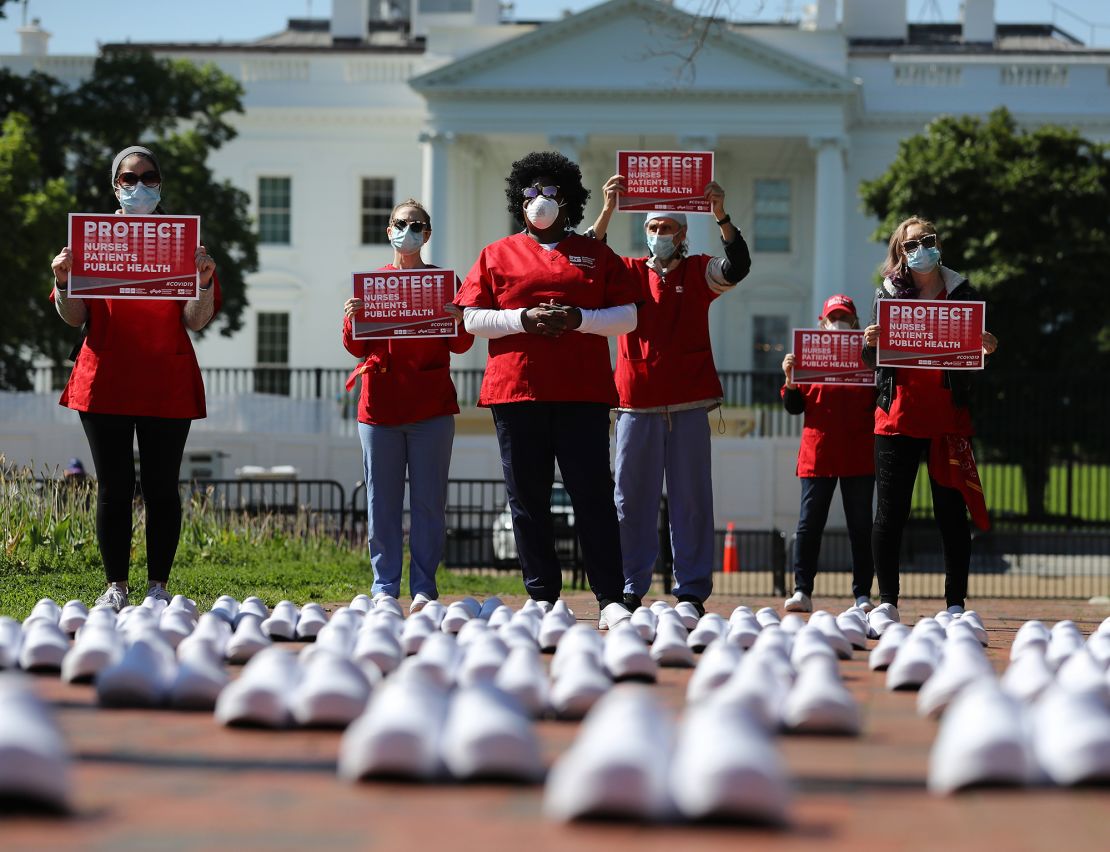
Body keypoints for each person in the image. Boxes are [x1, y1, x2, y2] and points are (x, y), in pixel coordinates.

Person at [456, 151, 641, 630]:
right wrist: (524, 319)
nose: (540, 199)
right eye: (531, 192)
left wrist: (581, 320)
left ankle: (610, 597)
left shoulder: (596, 255)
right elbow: (472, 317)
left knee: (593, 495)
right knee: (528, 497)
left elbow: (628, 315)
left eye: (551, 191)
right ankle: (542, 597)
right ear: (519, 201)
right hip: (516, 390)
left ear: (570, 200)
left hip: (581, 393)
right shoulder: (496, 254)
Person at [50, 145, 220, 612]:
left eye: (148, 176)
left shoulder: (185, 244)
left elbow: (197, 319)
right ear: (115, 185)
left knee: (162, 487)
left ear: (161, 184)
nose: (139, 185)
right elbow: (72, 315)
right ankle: (115, 587)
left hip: (166, 379)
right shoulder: (91, 241)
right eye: (128, 178)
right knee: (113, 486)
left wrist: (203, 281)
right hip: (104, 378)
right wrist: (64, 280)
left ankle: (158, 587)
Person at [588, 174, 751, 621]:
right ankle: (628, 587)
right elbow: (584, 261)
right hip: (634, 403)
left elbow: (737, 266)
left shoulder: (700, 269)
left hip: (688, 404)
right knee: (629, 499)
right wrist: (606, 209)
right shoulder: (627, 272)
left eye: (668, 228)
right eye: (653, 228)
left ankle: (691, 592)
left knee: (692, 499)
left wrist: (721, 215)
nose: (659, 235)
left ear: (683, 234)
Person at [862, 217, 998, 625]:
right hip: (897, 416)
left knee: (951, 515)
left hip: (947, 419)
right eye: (911, 244)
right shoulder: (886, 294)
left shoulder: (962, 292)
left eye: (927, 240)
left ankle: (955, 603)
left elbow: (970, 361)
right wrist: (870, 344)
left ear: (938, 244)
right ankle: (887, 601)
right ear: (899, 253)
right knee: (890, 513)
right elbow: (874, 363)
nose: (920, 249)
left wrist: (986, 348)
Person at [342, 198, 474, 614]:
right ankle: (384, 586)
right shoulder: (372, 284)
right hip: (379, 410)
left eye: (417, 225)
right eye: (401, 223)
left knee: (429, 503)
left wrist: (459, 317)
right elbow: (355, 346)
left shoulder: (445, 285)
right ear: (389, 230)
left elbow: (462, 343)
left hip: (431, 409)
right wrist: (351, 318)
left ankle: (423, 588)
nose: (408, 230)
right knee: (381, 503)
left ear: (427, 234)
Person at [780, 294, 876, 614]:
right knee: (809, 524)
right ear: (822, 322)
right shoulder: (809, 357)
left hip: (858, 453)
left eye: (845, 318)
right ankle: (802, 590)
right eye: (834, 317)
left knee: (861, 526)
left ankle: (862, 594)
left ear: (855, 322)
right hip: (818, 453)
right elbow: (794, 407)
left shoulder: (869, 356)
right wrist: (791, 382)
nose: (839, 323)